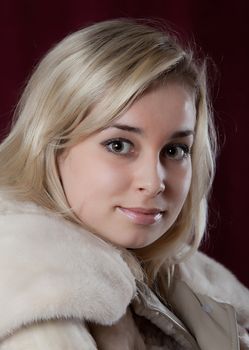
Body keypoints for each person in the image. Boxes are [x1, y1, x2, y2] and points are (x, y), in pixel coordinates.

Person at [0, 18, 248, 350]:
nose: (154, 182)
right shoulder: (36, 297)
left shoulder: (192, 281)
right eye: (119, 145)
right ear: (51, 145)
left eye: (175, 150)